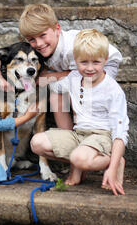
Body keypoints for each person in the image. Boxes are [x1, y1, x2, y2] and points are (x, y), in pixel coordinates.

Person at [30, 29, 129, 196]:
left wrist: (111, 167)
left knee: (78, 158)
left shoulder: (112, 90)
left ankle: (115, 162)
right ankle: (79, 162)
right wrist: (21, 81)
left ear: (105, 60)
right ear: (75, 61)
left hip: (101, 136)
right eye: (83, 62)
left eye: (96, 62)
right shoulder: (74, 78)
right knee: (37, 143)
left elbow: (120, 133)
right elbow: (52, 86)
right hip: (79, 135)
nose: (90, 68)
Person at [19, 3, 123, 130]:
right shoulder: (41, 49)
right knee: (56, 94)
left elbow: (83, 71)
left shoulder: (71, 48)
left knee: (75, 87)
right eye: (32, 39)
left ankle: (85, 129)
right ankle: (67, 133)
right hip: (76, 69)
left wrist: (54, 76)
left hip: (101, 65)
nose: (39, 43)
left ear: (57, 28)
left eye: (42, 35)